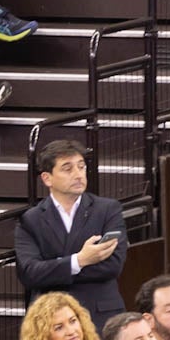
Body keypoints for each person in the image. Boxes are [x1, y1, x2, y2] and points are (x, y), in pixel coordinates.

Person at [14, 139, 127, 326]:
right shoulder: (31, 219)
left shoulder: (107, 209)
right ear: (47, 178)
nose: (78, 174)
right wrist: (80, 260)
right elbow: (30, 273)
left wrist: (55, 269)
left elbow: (113, 265)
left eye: (81, 167)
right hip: (52, 317)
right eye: (68, 169)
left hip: (100, 313)